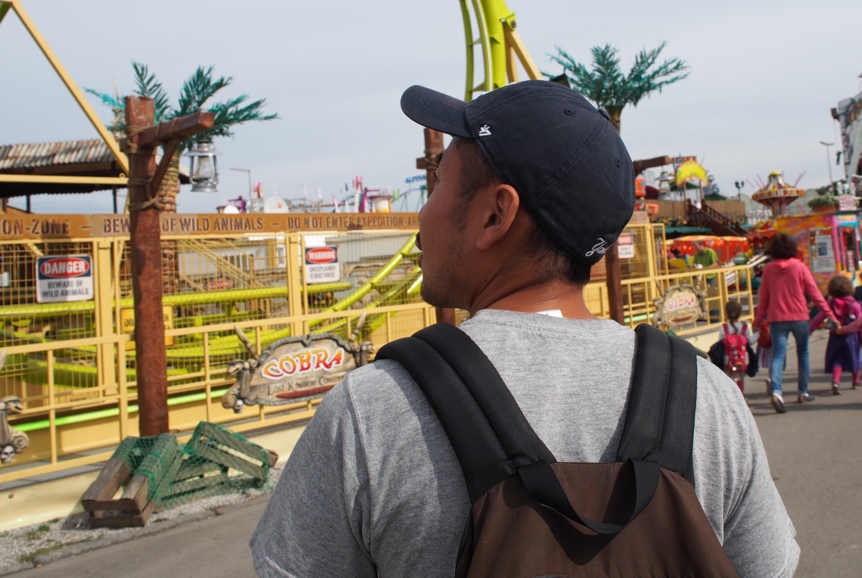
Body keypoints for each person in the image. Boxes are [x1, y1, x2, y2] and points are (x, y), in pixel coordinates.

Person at [250, 81, 800, 577]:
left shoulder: (375, 412)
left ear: (495, 214)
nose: (422, 215)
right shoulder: (707, 399)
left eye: (438, 185)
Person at [755, 233, 837, 414]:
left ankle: (777, 391)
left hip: (777, 318)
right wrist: (830, 315)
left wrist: (758, 321)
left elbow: (764, 299)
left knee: (778, 355)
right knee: (803, 353)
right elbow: (815, 294)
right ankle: (803, 392)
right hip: (800, 316)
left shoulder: (769, 269)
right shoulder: (799, 267)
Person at [810, 274, 862, 394]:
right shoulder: (855, 304)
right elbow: (860, 322)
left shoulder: (830, 303)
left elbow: (819, 317)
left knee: (837, 359)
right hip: (852, 336)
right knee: (855, 357)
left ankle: (835, 381)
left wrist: (810, 329)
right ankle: (856, 381)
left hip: (835, 335)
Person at [717, 299, 751, 393]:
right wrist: (757, 334)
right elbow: (750, 341)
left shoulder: (723, 327)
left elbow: (720, 342)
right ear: (740, 313)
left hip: (728, 358)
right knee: (740, 377)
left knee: (729, 377)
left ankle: (731, 396)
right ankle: (741, 396)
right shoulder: (744, 327)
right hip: (742, 358)